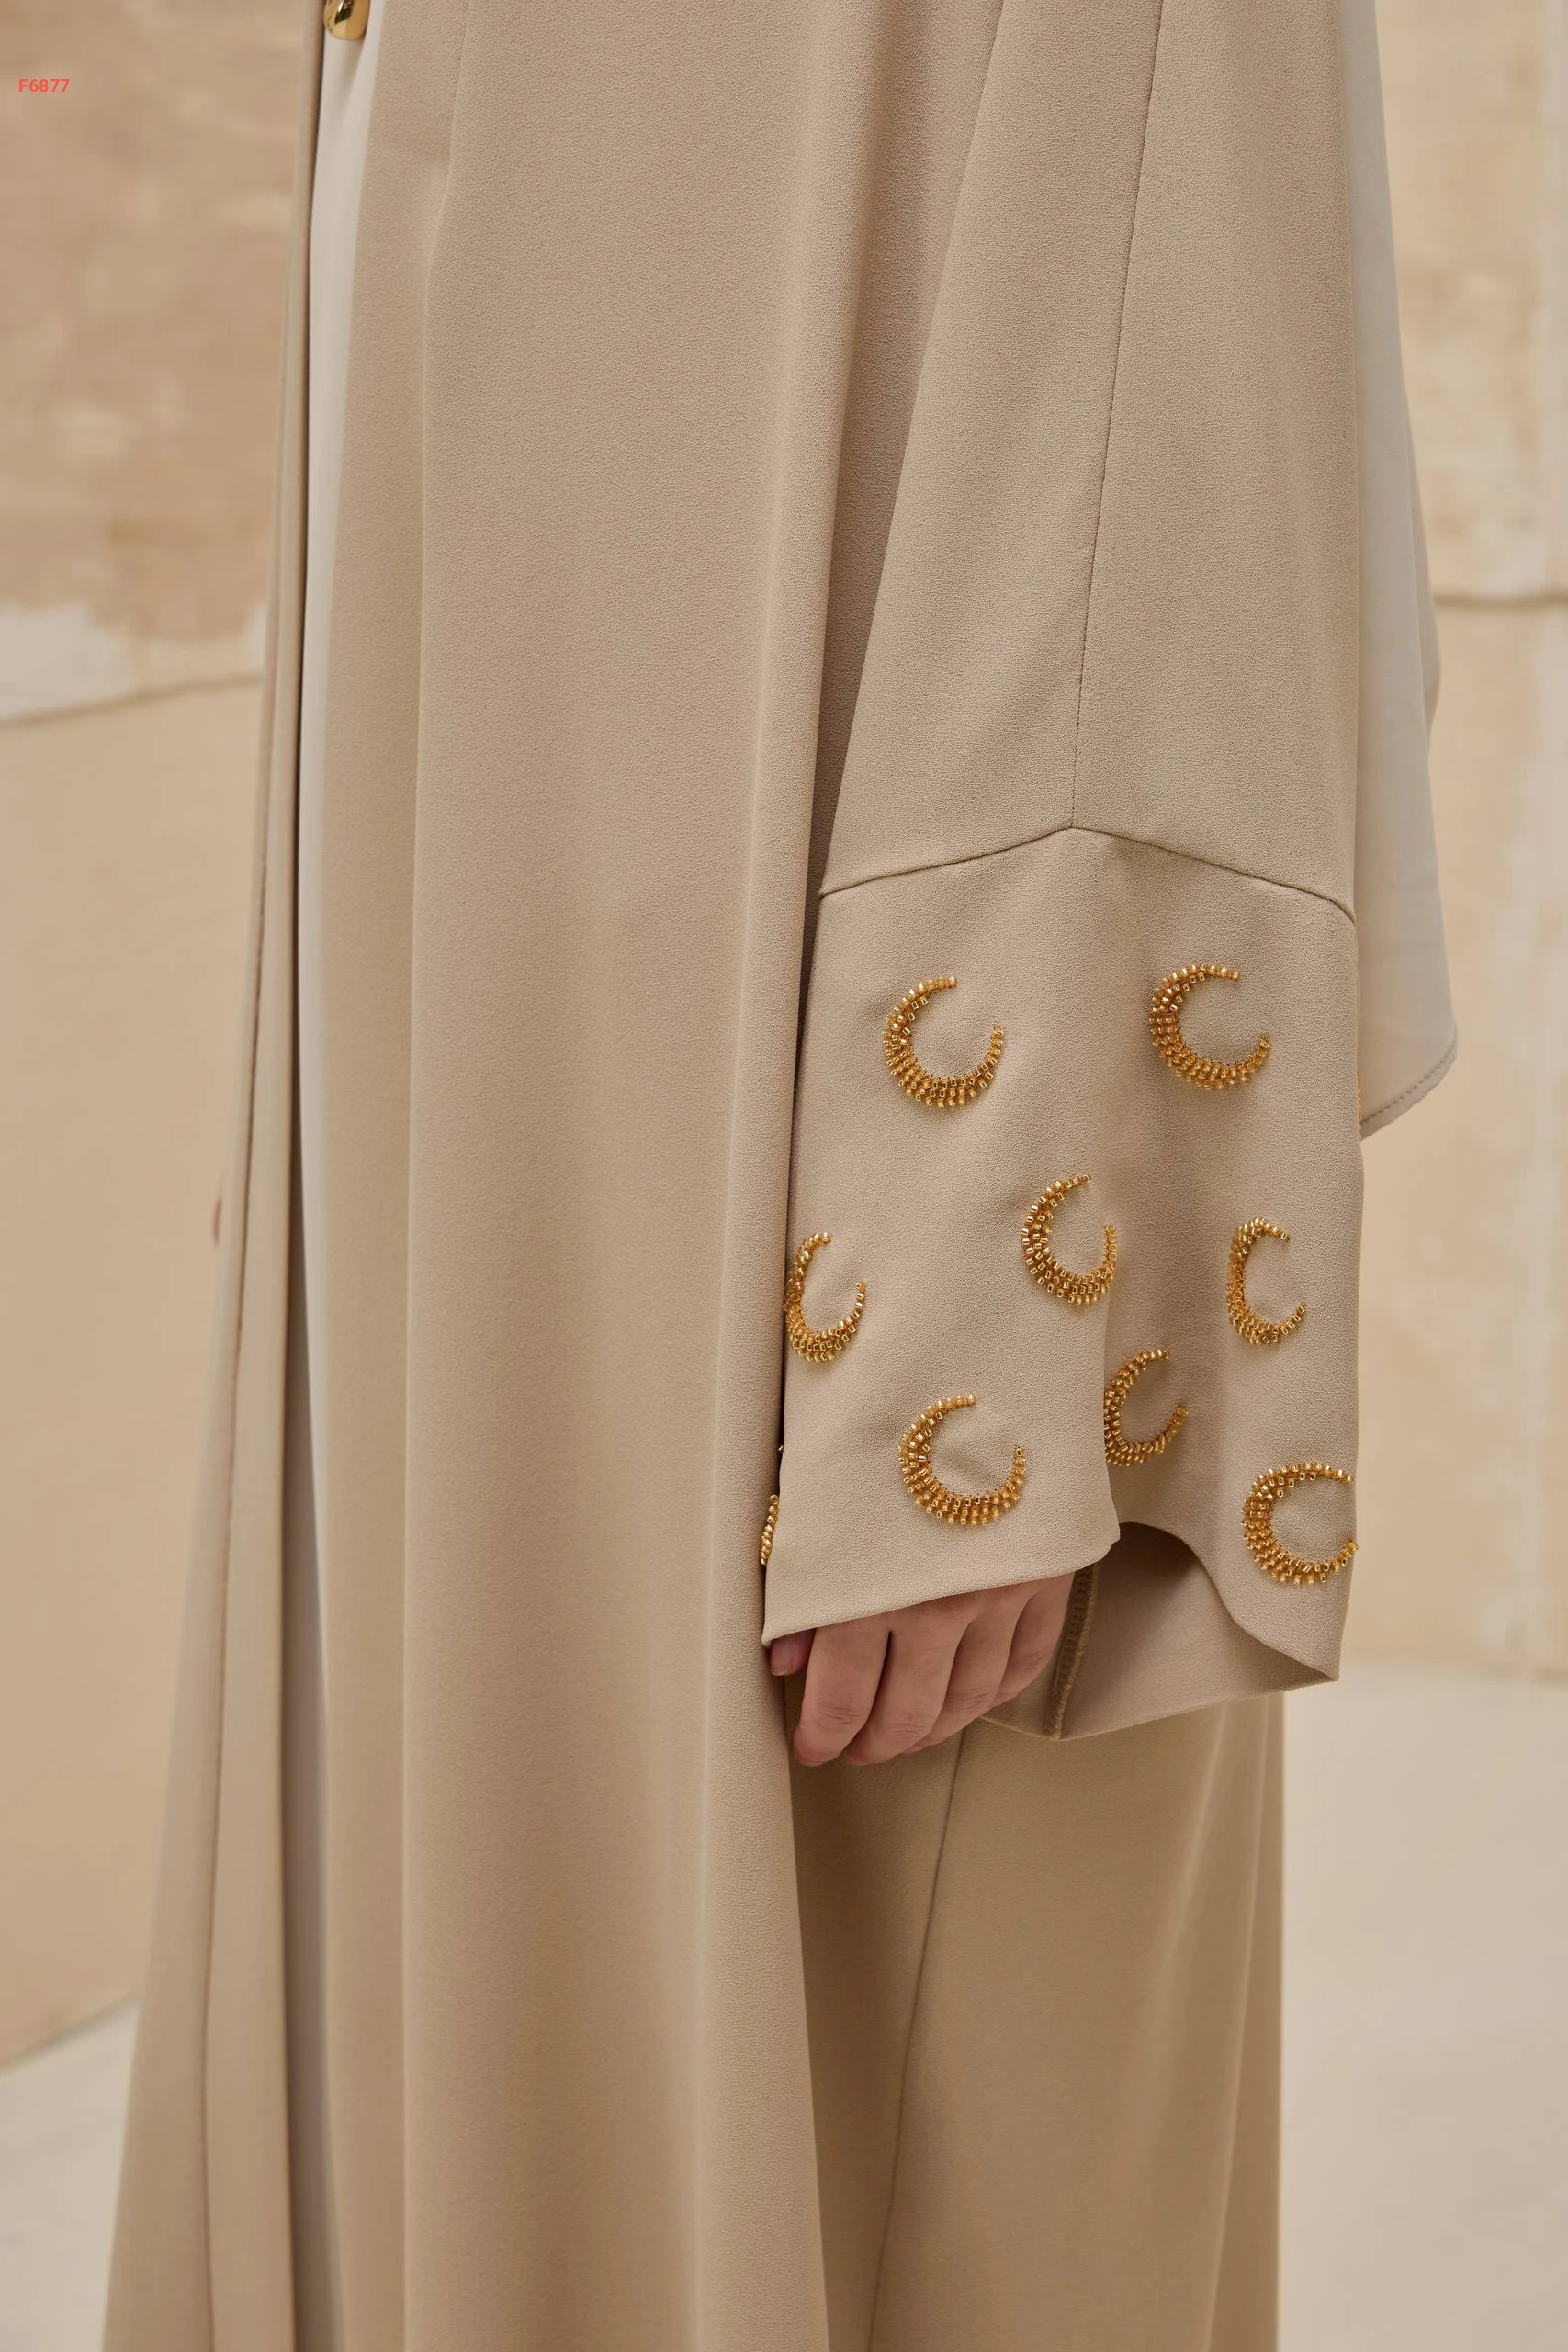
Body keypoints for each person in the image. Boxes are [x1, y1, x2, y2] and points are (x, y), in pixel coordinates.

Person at [107, 2, 1454, 2346]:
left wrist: (995, 1279)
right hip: (491, 1037)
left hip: (818, 1103)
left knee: (869, 2088)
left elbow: (1161, 280)